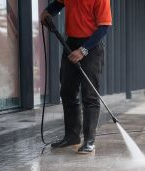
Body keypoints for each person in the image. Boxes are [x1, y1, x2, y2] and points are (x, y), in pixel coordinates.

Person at [40, 0, 112, 154]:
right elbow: (58, 4)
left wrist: (83, 50)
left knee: (90, 95)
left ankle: (89, 140)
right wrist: (47, 12)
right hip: (71, 43)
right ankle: (72, 136)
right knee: (67, 91)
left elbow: (103, 28)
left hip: (91, 47)